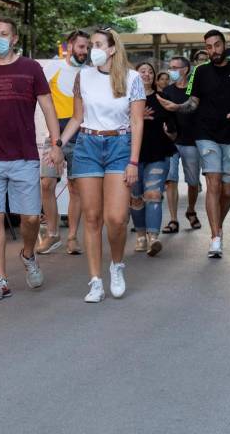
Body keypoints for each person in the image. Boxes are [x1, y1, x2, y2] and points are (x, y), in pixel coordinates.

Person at [0, 18, 63, 301]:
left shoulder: (31, 68)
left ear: (14, 38)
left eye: (4, 34)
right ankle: (1, 280)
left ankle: (28, 254)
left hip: (24, 155)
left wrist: (57, 144)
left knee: (30, 217)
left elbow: (48, 107)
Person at [59, 29, 143, 301]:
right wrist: (58, 143)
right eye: (90, 45)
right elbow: (77, 117)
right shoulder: (83, 76)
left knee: (116, 218)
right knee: (92, 217)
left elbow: (137, 122)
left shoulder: (132, 78)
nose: (91, 49)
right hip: (87, 145)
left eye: (97, 44)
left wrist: (134, 161)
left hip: (120, 146)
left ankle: (116, 265)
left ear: (112, 49)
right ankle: (95, 281)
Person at [178, 30, 230, 258]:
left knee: (227, 191)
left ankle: (217, 226)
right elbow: (193, 102)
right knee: (213, 184)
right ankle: (215, 238)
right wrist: (176, 107)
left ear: (224, 45)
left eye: (217, 45)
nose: (213, 50)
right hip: (206, 133)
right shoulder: (200, 71)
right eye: (209, 47)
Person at [36, 29, 88, 255]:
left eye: (87, 48)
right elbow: (37, 97)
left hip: (81, 137)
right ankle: (53, 234)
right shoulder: (52, 68)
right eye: (81, 47)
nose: (85, 51)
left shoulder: (90, 72)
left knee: (75, 188)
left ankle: (73, 237)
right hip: (55, 135)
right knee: (46, 183)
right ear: (70, 46)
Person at [131, 61, 173, 257]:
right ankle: (140, 235)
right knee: (136, 198)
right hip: (133, 155)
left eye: (150, 72)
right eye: (142, 71)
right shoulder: (126, 98)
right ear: (135, 75)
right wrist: (137, 118)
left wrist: (171, 131)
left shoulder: (162, 98)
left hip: (158, 152)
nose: (146, 74)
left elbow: (173, 124)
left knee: (154, 194)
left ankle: (153, 238)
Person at [158, 55, 202, 231]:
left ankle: (191, 211)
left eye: (175, 67)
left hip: (191, 141)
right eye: (170, 67)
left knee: (193, 182)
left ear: (186, 69)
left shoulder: (195, 90)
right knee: (171, 180)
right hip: (171, 142)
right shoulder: (167, 91)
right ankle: (173, 219)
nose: (172, 71)